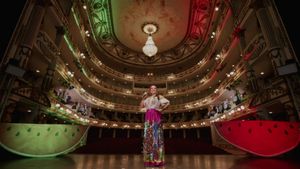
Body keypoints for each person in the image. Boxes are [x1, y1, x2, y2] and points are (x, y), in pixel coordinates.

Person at [140, 85, 170, 167]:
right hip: (148, 116)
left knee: (156, 137)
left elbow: (168, 102)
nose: (153, 89)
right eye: (151, 88)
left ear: (156, 90)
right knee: (148, 138)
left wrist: (162, 109)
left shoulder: (159, 96)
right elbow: (141, 107)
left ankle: (157, 160)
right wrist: (143, 98)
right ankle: (149, 160)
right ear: (149, 90)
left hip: (156, 116)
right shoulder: (146, 98)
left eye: (155, 88)